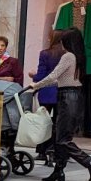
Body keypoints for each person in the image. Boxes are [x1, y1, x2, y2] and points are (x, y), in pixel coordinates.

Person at [29, 28, 91, 181]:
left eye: (63, 41)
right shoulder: (78, 57)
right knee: (60, 136)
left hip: (67, 97)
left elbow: (53, 75)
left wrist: (36, 85)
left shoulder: (68, 56)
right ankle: (59, 171)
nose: (61, 43)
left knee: (63, 139)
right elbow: (60, 79)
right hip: (74, 96)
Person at [30, 30, 65, 165]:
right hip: (60, 91)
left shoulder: (45, 53)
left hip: (46, 92)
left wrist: (33, 75)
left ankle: (42, 151)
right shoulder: (67, 55)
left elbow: (41, 75)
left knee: (43, 122)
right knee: (57, 123)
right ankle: (53, 150)